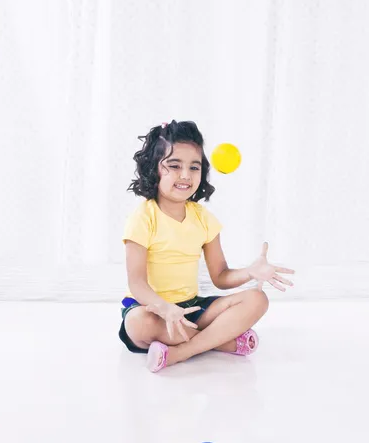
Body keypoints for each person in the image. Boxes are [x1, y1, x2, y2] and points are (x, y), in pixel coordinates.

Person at [118, 120, 295, 373]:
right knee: (137, 324)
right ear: (153, 169)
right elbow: (137, 283)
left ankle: (180, 352)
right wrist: (166, 309)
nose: (185, 175)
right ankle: (221, 341)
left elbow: (221, 277)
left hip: (192, 307)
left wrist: (250, 272)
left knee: (257, 299)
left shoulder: (203, 218)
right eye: (174, 165)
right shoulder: (143, 217)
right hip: (153, 310)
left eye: (194, 167)